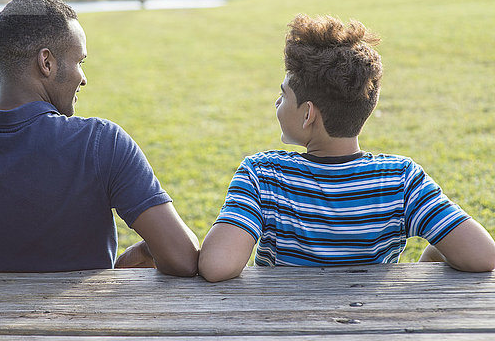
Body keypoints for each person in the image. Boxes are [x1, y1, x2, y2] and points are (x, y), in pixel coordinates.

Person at [0, 0, 199, 275]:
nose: (84, 79)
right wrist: (144, 249)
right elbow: (184, 258)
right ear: (47, 62)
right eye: (79, 61)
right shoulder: (102, 143)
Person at [198, 14, 495, 282]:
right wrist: (431, 257)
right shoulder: (402, 178)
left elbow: (216, 266)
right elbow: (483, 256)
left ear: (307, 115)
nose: (277, 103)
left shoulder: (263, 175)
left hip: (286, 326)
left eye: (283, 94)